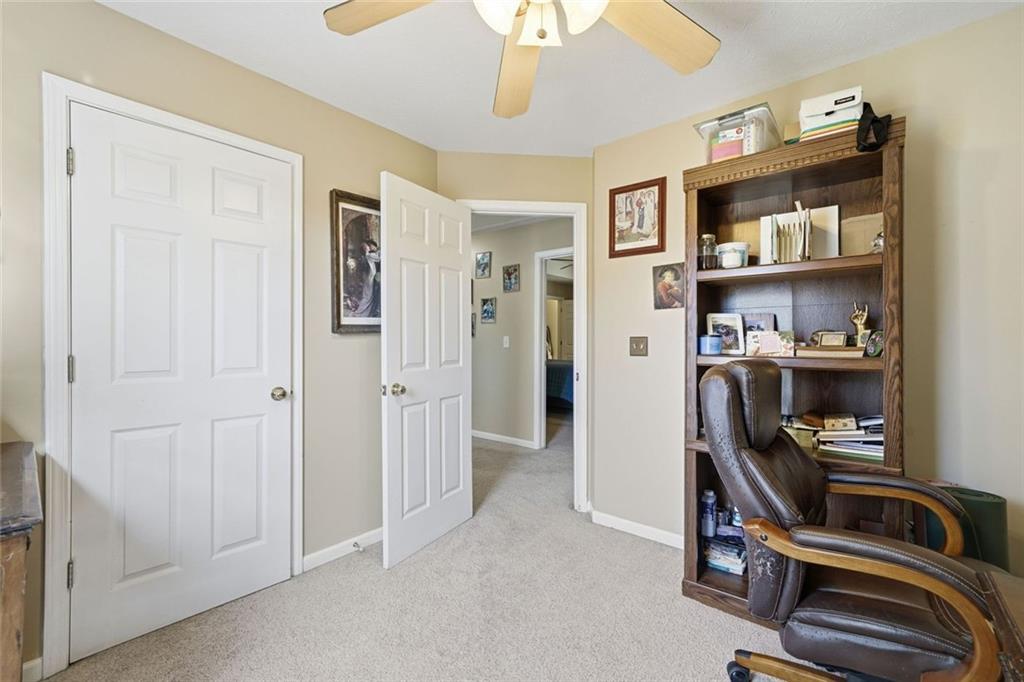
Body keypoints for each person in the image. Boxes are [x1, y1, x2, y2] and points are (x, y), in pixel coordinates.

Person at [345, 239, 380, 318]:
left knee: (368, 296)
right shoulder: (369, 255)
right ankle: (359, 313)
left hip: (370, 277)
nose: (370, 247)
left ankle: (366, 312)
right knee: (367, 296)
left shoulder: (370, 255)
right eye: (368, 246)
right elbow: (377, 259)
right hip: (369, 278)